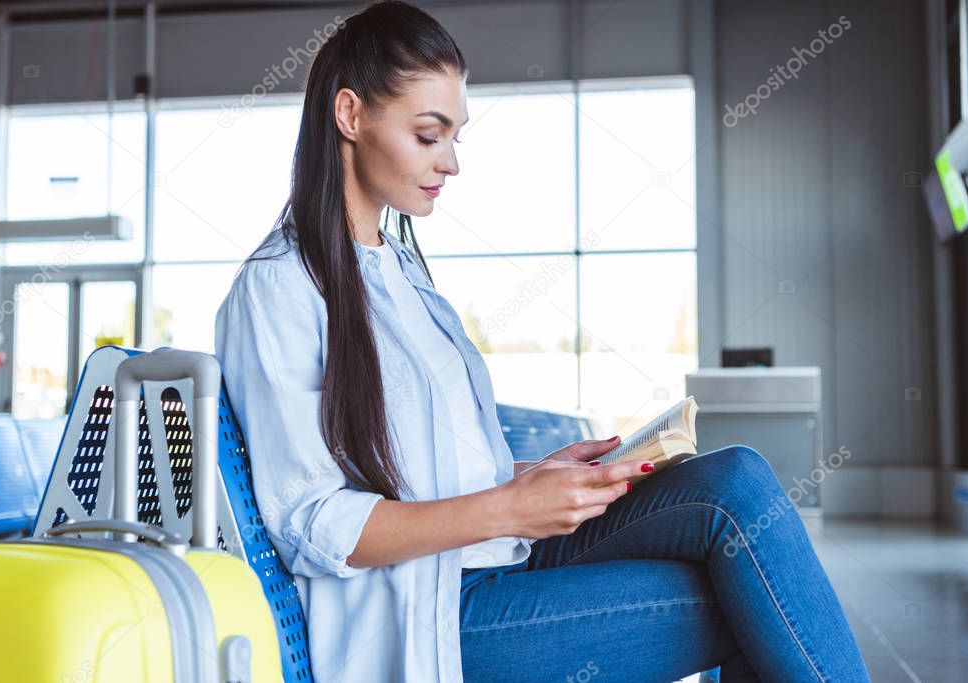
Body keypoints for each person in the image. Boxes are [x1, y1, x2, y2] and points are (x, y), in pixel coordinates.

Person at [213, 1, 872, 681]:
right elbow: (313, 523)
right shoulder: (278, 290)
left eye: (455, 136)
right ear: (350, 115)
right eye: (429, 134)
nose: (452, 162)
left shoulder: (398, 267)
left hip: (493, 552)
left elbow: (422, 464)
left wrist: (529, 480)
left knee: (737, 479)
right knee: (751, 596)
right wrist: (507, 506)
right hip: (428, 617)